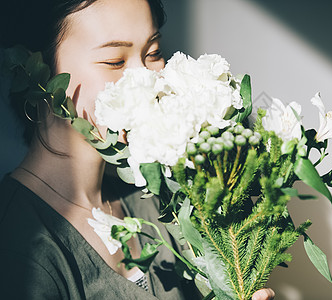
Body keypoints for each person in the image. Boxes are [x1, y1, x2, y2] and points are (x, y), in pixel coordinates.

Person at [0, 0, 275, 299]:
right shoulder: (19, 250)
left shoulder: (158, 197)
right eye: (115, 61)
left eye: (153, 53)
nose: (146, 81)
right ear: (33, 73)